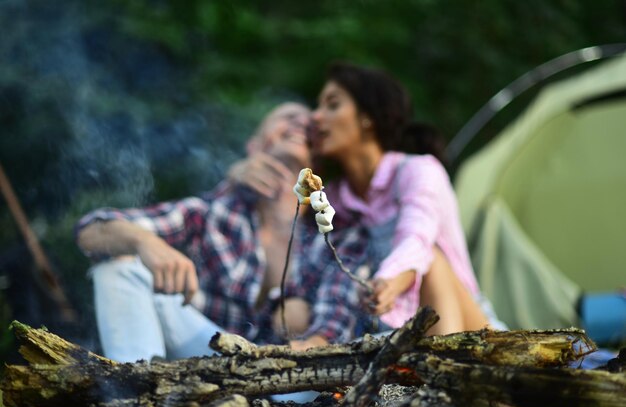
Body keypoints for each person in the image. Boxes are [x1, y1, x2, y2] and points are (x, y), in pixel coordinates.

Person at [75, 102, 356, 363]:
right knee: (118, 268)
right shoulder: (212, 214)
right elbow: (91, 230)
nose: (300, 124)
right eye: (288, 118)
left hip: (287, 377)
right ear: (254, 146)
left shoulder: (334, 237)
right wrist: (144, 241)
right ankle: (133, 399)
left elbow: (332, 330)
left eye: (308, 126)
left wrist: (294, 345)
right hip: (206, 357)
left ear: (318, 162)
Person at [308, 62, 505, 335]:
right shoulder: (335, 199)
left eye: (332, 105)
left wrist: (391, 281)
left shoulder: (418, 171)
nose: (316, 117)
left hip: (471, 329)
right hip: (392, 335)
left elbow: (417, 236)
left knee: (431, 259)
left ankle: (447, 370)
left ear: (367, 117)